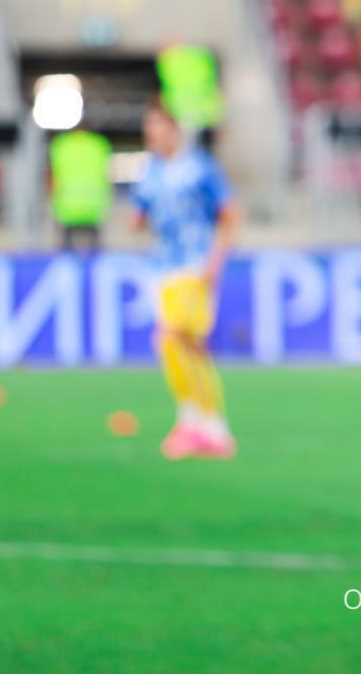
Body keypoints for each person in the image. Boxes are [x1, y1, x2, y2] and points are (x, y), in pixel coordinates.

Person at [132, 97, 238, 460]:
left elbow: (229, 213)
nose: (151, 135)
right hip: (164, 268)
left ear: (173, 129)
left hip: (195, 266)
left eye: (156, 127)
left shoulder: (199, 167)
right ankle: (201, 424)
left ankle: (204, 424)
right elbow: (139, 215)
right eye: (147, 129)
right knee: (187, 346)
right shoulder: (150, 171)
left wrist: (216, 259)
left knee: (172, 337)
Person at [49, 127, 112, 251]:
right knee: (95, 254)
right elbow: (107, 174)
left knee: (66, 254)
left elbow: (53, 177)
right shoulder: (99, 144)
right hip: (94, 207)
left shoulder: (61, 145)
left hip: (67, 208)